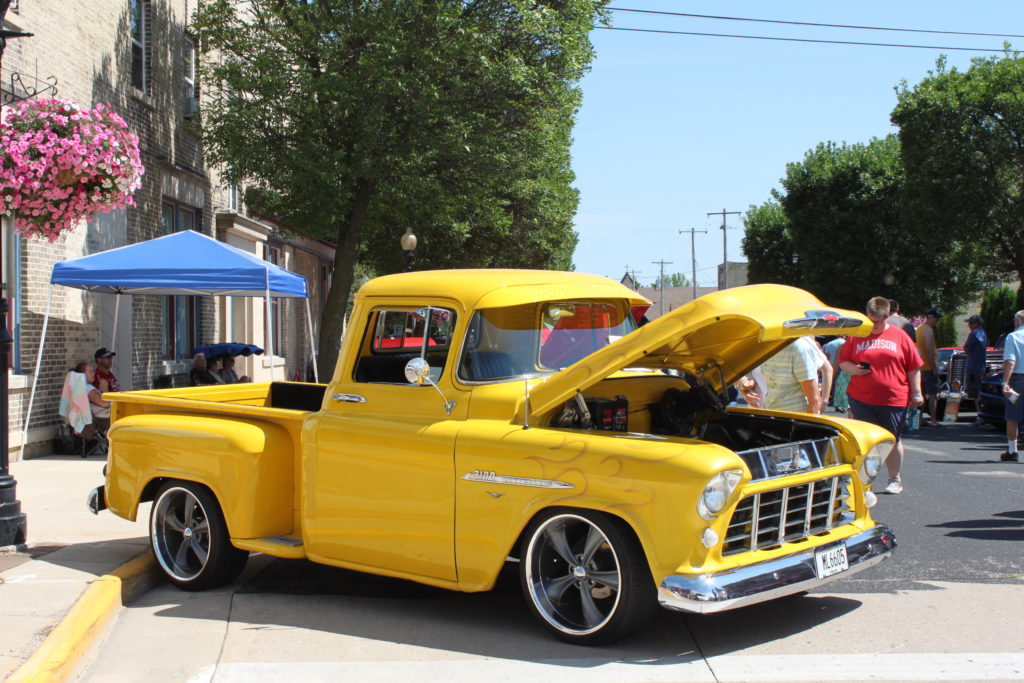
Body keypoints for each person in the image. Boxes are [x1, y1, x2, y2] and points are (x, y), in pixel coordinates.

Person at [839, 296, 924, 495]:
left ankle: (894, 478)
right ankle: (865, 483)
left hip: (894, 398)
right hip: (861, 398)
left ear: (888, 316)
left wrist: (917, 392)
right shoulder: (856, 336)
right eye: (872, 320)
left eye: (880, 320)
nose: (875, 325)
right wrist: (855, 369)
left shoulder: (900, 336)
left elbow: (914, 367)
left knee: (892, 439)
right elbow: (843, 361)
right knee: (866, 442)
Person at [759, 336, 823, 414]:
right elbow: (771, 388)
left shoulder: (800, 349)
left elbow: (815, 401)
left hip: (795, 420)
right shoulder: (767, 346)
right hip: (773, 416)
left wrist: (804, 425)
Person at [999, 310, 1024, 462]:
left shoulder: (1013, 336)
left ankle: (1012, 450)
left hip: (1018, 379)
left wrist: (1005, 382)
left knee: (1013, 416)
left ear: (1017, 322)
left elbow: (1010, 360)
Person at [915, 308, 942, 426]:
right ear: (930, 317)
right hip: (927, 367)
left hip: (918, 367)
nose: (937, 321)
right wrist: (934, 368)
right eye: (936, 318)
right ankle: (933, 420)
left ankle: (915, 422)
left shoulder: (919, 329)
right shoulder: (928, 331)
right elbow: (929, 350)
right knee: (932, 395)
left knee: (918, 395)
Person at [75, 361, 111, 432]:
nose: (93, 373)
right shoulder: (87, 387)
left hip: (101, 417)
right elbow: (105, 403)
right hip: (103, 419)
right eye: (90, 372)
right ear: (82, 375)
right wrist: (106, 390)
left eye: (93, 371)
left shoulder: (82, 387)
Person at [963, 314, 988, 413]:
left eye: (970, 323)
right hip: (980, 366)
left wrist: (968, 352)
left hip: (973, 367)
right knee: (978, 392)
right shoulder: (983, 333)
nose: (968, 325)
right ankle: (981, 414)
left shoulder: (974, 333)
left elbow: (967, 347)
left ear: (976, 324)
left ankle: (980, 415)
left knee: (975, 393)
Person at [824, 336, 850, 413]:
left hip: (843, 373)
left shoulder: (842, 347)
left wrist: (833, 377)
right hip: (855, 375)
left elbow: (836, 363)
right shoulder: (860, 346)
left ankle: (841, 406)